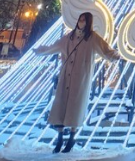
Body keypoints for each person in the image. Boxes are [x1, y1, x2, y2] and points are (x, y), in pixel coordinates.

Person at [34, 12, 119, 153]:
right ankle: (60, 137)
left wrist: (116, 56)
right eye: (80, 19)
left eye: (84, 20)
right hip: (65, 76)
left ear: (88, 22)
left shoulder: (92, 38)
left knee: (76, 106)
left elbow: (105, 50)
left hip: (80, 78)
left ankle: (72, 137)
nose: (81, 22)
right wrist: (40, 51)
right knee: (60, 105)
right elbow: (54, 47)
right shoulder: (69, 37)